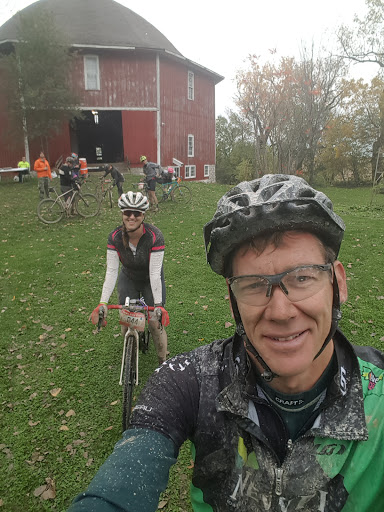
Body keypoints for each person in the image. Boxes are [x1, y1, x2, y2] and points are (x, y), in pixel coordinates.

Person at [68, 175, 384, 512]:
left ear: (339, 282)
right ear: (232, 301)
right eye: (252, 284)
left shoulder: (378, 394)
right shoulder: (192, 382)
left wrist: (158, 307)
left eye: (303, 277)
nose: (280, 311)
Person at [91, 191, 168, 365]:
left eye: (137, 213)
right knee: (125, 321)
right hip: (129, 276)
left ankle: (163, 362)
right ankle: (129, 349)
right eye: (127, 212)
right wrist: (103, 302)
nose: (131, 217)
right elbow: (111, 271)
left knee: (155, 324)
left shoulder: (155, 236)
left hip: (150, 279)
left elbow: (155, 273)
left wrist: (157, 305)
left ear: (143, 215)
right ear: (122, 214)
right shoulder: (115, 237)